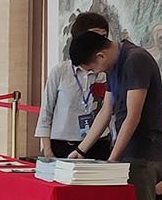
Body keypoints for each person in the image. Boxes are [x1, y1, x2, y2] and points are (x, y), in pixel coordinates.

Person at [70, 17, 162, 200]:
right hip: (126, 154)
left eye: (92, 68)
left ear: (101, 56)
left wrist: (112, 161)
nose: (94, 73)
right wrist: (80, 150)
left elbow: (132, 117)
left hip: (143, 156)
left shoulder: (136, 60)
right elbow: (107, 111)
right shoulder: (114, 64)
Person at [34, 18, 111, 159]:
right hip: (62, 144)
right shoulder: (61, 71)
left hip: (98, 144)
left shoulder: (106, 72)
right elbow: (46, 111)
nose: (100, 41)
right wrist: (47, 149)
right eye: (94, 35)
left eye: (104, 36)